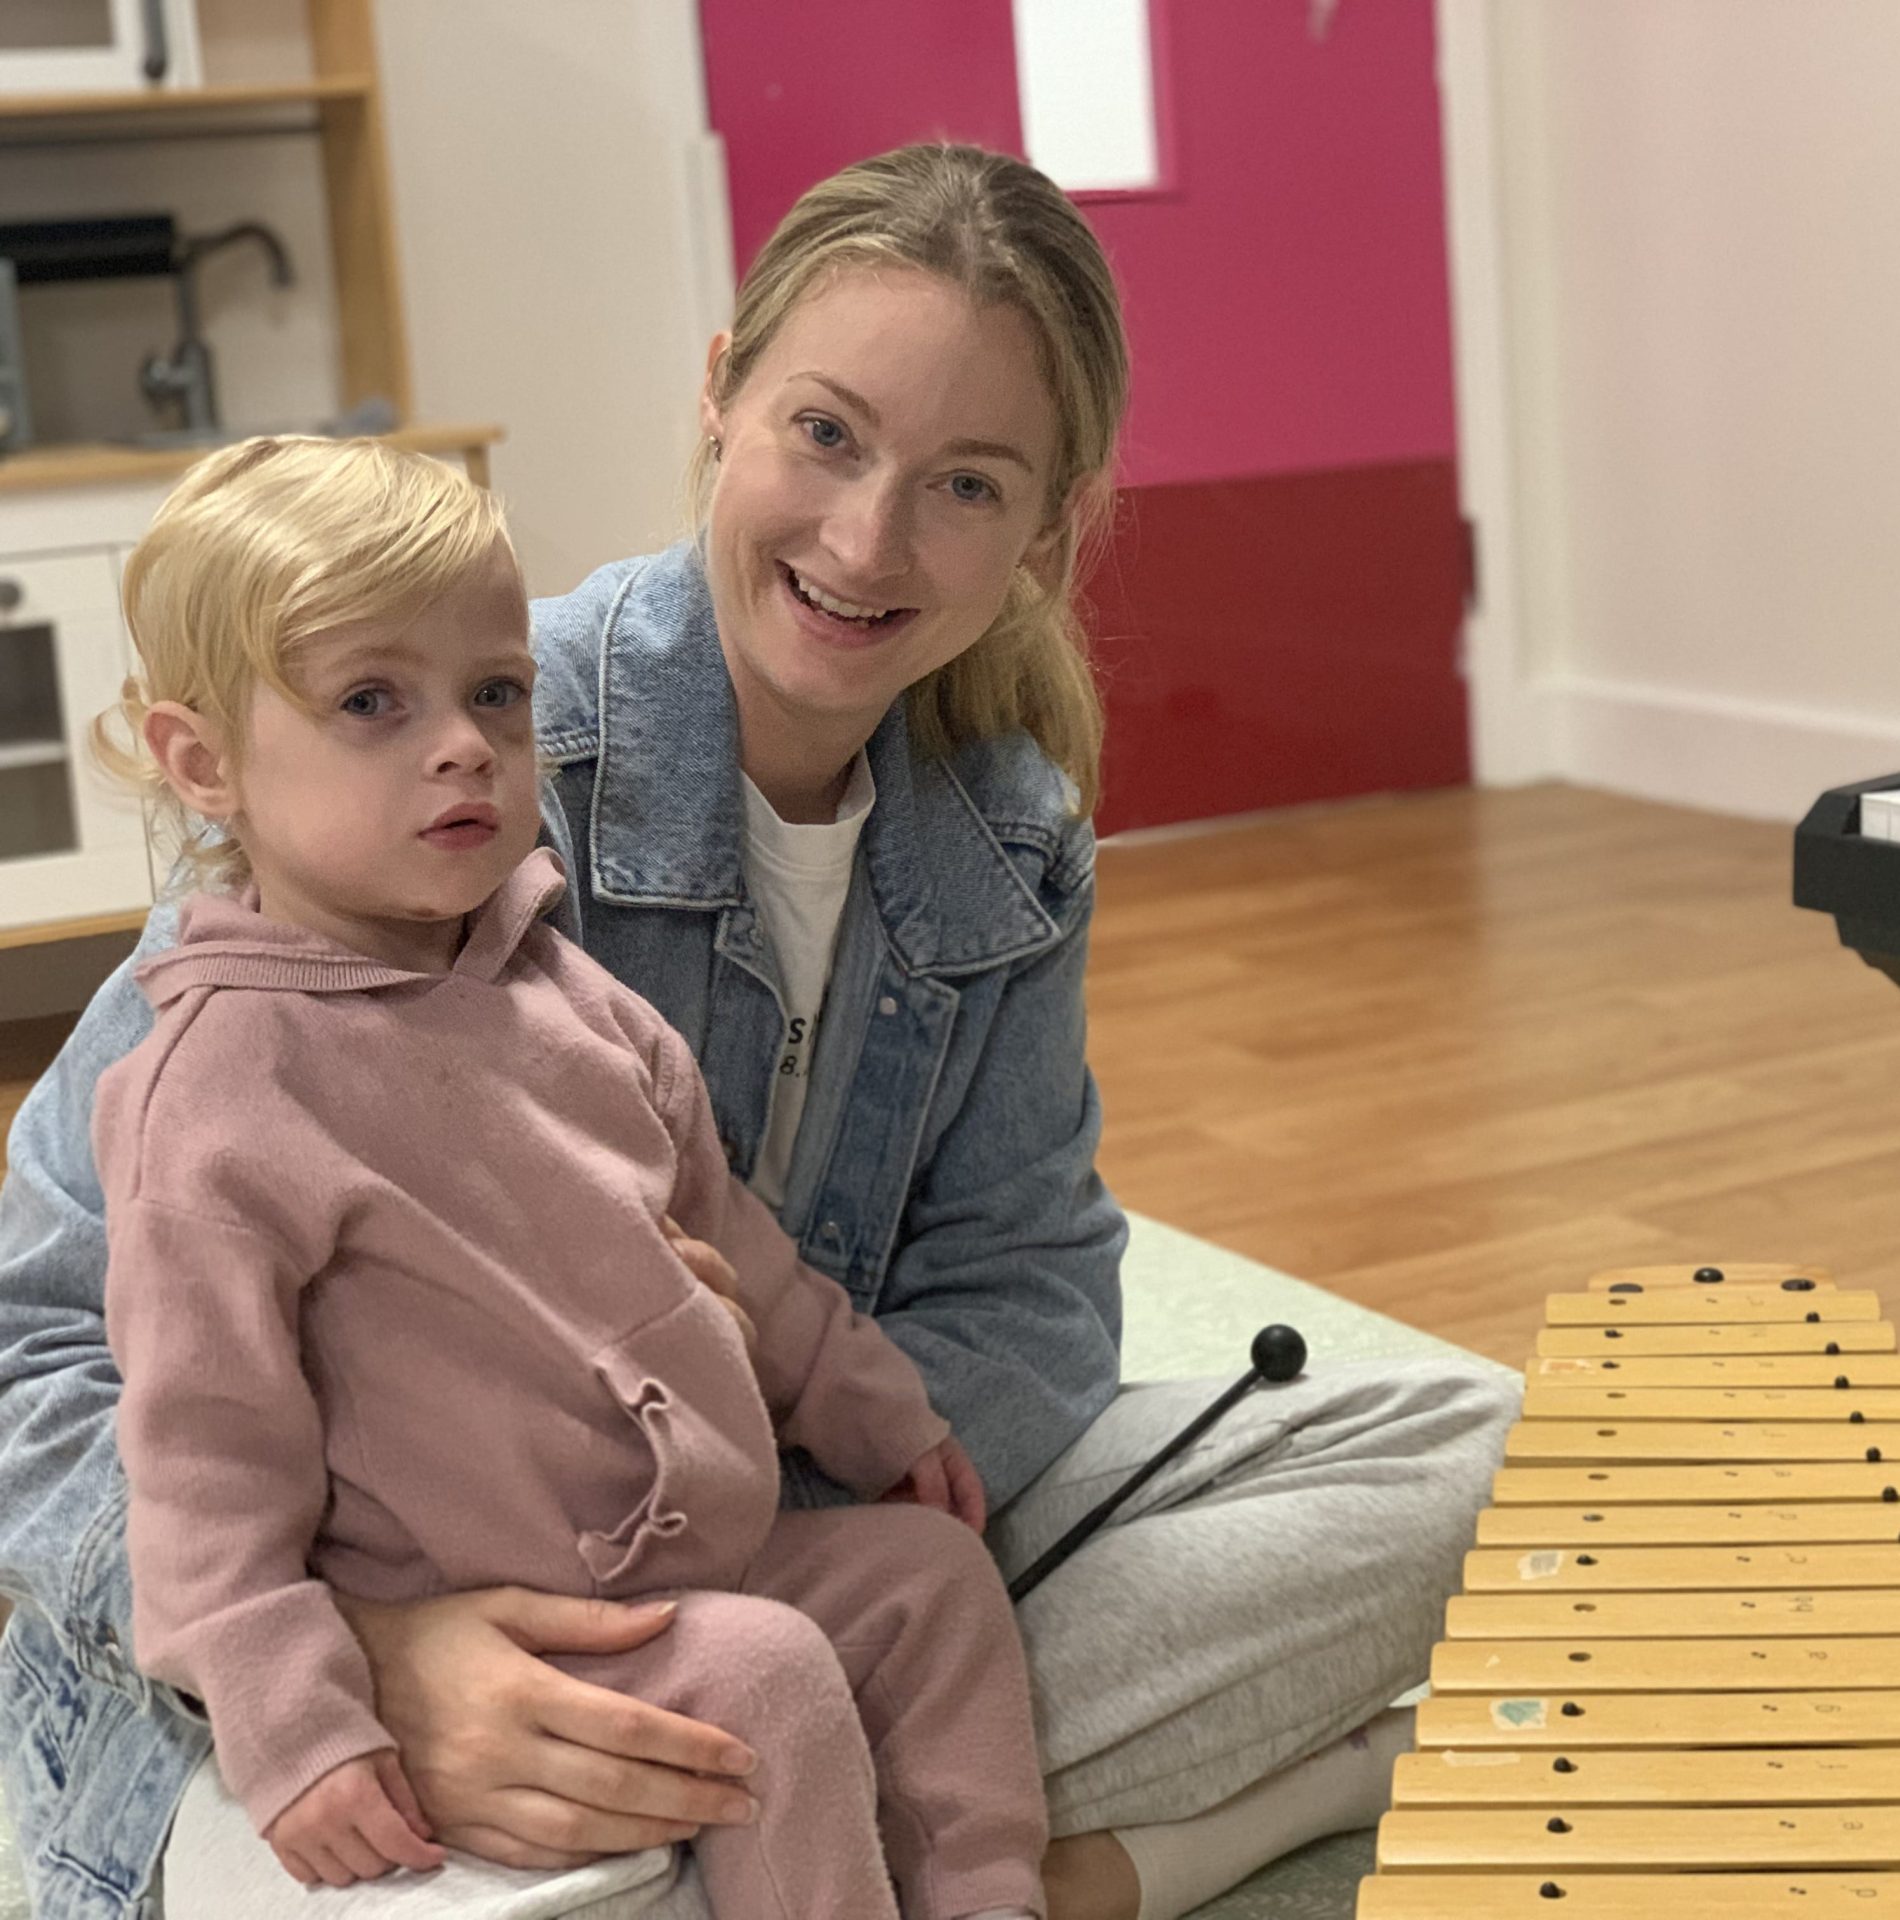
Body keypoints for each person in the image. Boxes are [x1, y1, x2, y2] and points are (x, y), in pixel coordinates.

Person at [0, 143, 1517, 1920]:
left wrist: (751, 1489)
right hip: (370, 1614)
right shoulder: (441, 759)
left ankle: (847, 1816)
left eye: (966, 483)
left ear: (1049, 526)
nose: (869, 541)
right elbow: (37, 1360)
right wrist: (371, 1653)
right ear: (721, 394)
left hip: (750, 1547)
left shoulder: (1003, 829)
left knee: (1476, 1443)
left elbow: (1029, 1291)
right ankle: (1130, 1840)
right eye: (825, 433)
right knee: (652, 1795)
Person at [82, 433, 1046, 1920]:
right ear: (203, 764)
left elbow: (737, 1244)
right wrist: (296, 1722)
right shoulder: (215, 1093)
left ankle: (993, 1899)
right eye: (371, 704)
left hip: (691, 1556)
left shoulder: (566, 992)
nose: (463, 743)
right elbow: (201, 1462)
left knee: (934, 1580)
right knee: (773, 1683)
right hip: (484, 1632)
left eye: (496, 693)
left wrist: (873, 1404)